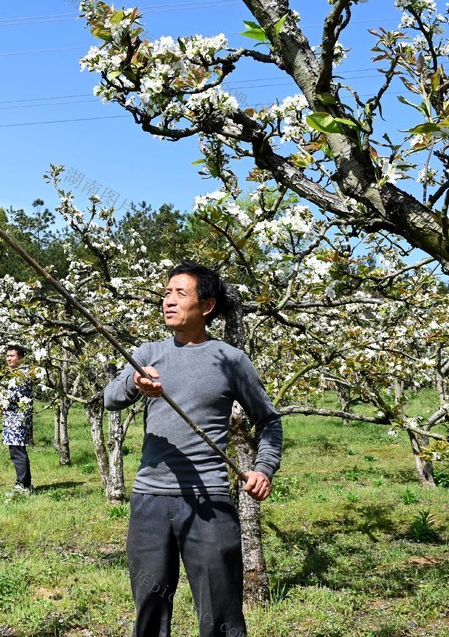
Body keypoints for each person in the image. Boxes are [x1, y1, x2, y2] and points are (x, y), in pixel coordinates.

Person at [103, 262, 282, 637]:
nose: (168, 301)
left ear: (207, 306)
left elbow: (268, 420)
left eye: (180, 294)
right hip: (149, 501)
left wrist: (264, 468)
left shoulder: (229, 360)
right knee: (149, 610)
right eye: (166, 293)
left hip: (208, 503)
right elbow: (111, 399)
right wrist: (136, 382)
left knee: (220, 614)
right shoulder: (149, 353)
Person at [0, 344, 35, 494]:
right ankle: (25, 484)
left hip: (17, 420)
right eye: (7, 356)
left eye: (12, 356)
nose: (9, 359)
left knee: (18, 451)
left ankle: (23, 485)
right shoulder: (14, 374)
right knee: (17, 450)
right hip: (12, 419)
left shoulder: (22, 375)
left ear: (20, 358)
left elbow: (13, 396)